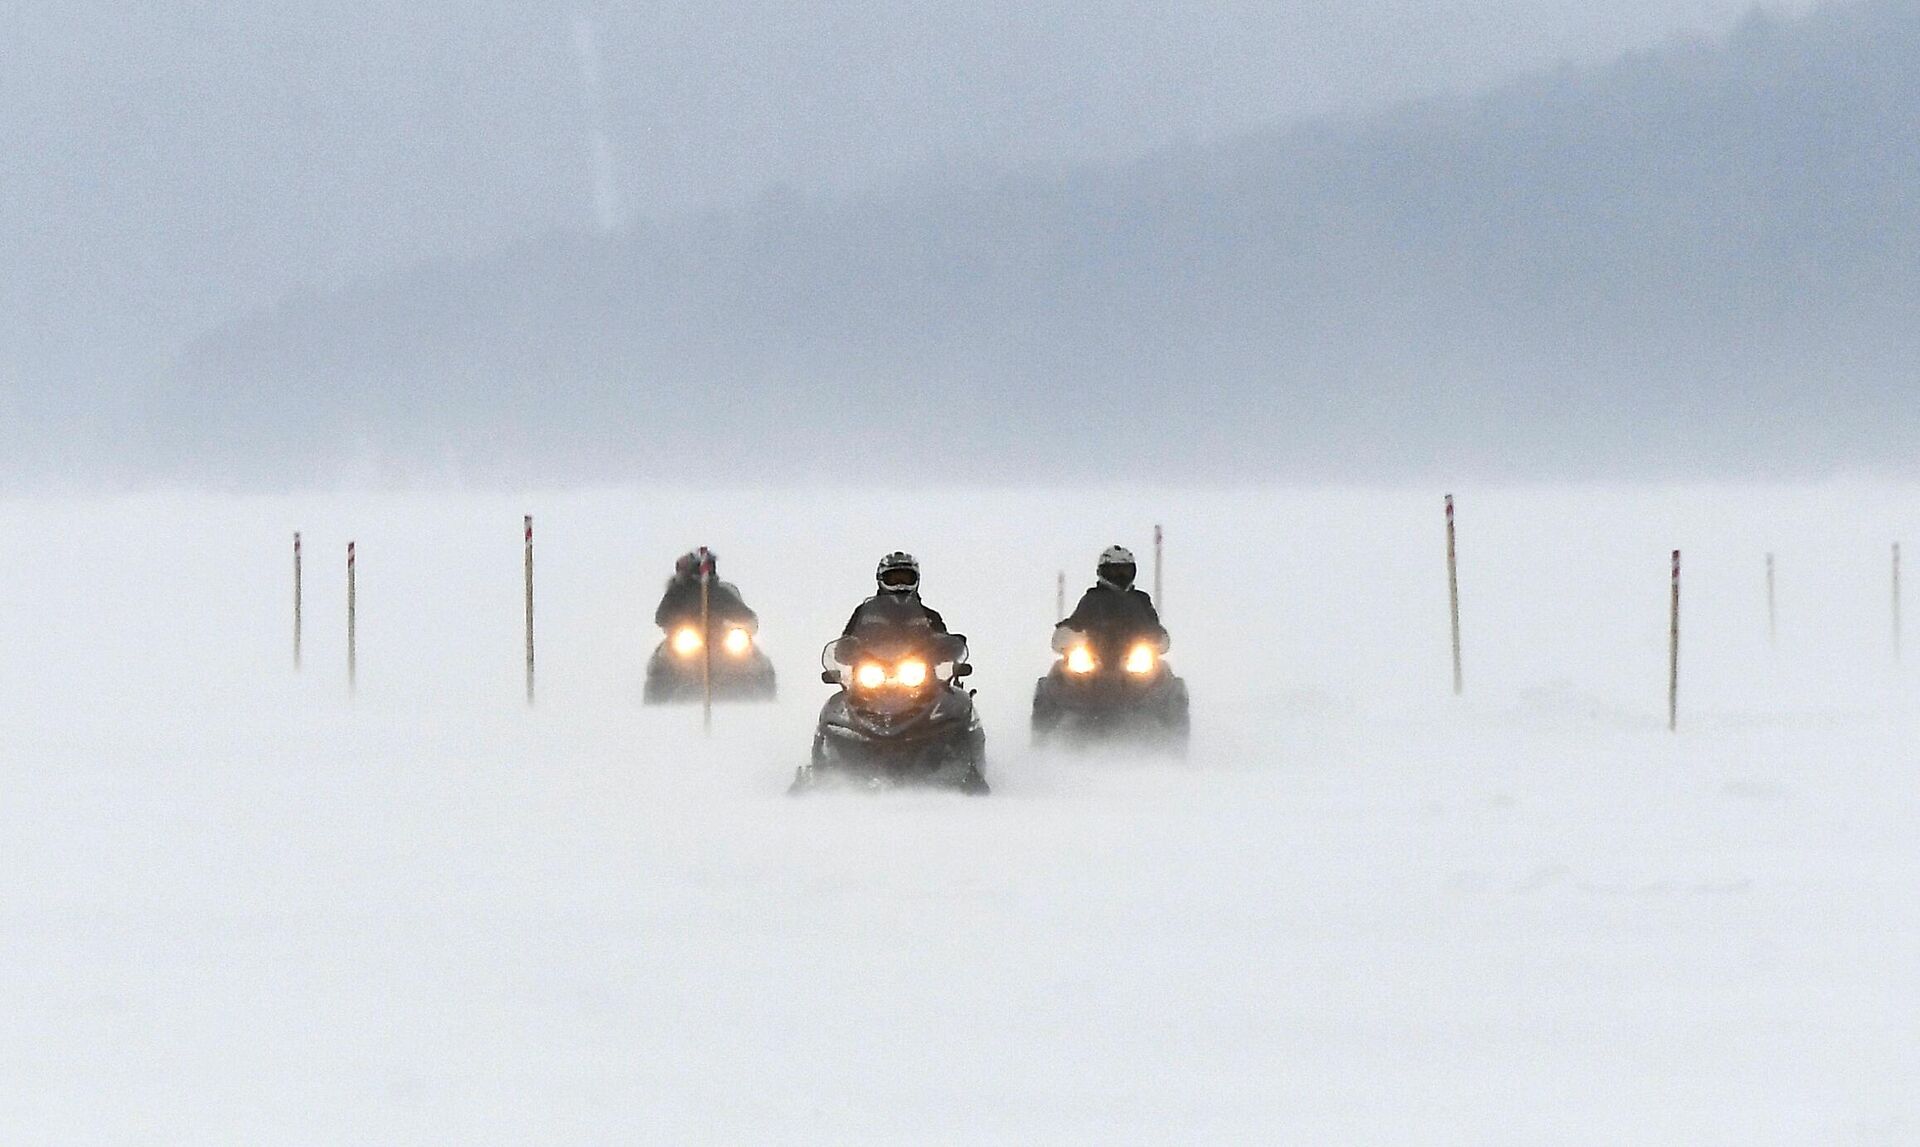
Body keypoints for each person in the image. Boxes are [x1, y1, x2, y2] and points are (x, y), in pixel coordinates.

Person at [837, 552, 963, 660]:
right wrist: (847, 647)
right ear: (881, 579)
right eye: (893, 579)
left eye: (906, 578)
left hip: (921, 677)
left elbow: (943, 640)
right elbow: (845, 643)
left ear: (916, 579)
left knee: (949, 689)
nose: (900, 585)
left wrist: (949, 646)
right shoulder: (864, 613)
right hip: (870, 676)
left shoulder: (929, 616)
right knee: (846, 690)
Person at [1058, 545, 1166, 651]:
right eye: (1114, 571)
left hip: (1136, 659)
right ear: (1102, 571)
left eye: (1125, 571)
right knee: (1061, 667)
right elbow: (1076, 622)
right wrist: (1065, 633)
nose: (1120, 576)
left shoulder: (1140, 599)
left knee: (1162, 667)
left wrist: (1158, 637)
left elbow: (1152, 626)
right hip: (1093, 659)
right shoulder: (1091, 599)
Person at [654, 548, 756, 632]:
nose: (708, 570)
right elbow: (661, 617)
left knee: (752, 653)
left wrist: (743, 623)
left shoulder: (720, 594)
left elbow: (744, 615)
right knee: (662, 654)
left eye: (710, 566)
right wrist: (679, 622)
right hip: (683, 646)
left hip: (722, 644)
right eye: (705, 566)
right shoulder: (677, 594)